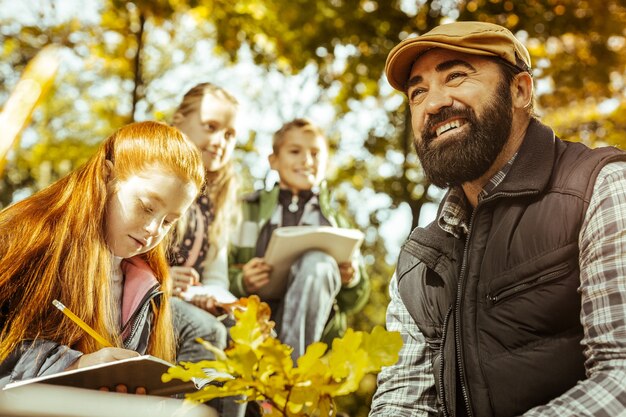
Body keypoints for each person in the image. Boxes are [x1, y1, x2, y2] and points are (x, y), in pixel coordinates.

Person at [369, 21, 626, 417]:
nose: (433, 103)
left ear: (520, 90)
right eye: (417, 92)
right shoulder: (419, 262)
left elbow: (621, 374)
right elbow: (403, 400)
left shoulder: (602, 186)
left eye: (455, 76)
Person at [0, 121, 203, 390]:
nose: (154, 229)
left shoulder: (146, 280)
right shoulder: (28, 237)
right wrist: (74, 365)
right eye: (145, 207)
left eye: (168, 222)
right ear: (107, 177)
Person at [228, 118, 370, 361]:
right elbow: (217, 272)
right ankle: (283, 381)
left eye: (315, 154)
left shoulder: (337, 223)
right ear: (273, 161)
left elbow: (355, 300)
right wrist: (243, 281)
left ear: (327, 163)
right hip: (251, 326)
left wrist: (349, 280)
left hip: (313, 336)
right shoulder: (244, 210)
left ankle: (287, 377)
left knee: (319, 264)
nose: (307, 161)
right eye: (295, 151)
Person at [166, 82, 240, 362]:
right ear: (179, 120)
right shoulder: (157, 172)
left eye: (230, 135)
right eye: (211, 127)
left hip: (187, 298)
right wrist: (162, 279)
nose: (221, 141)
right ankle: (192, 408)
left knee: (245, 334)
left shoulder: (219, 196)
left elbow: (215, 274)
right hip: (145, 294)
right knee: (205, 331)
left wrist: (211, 296)